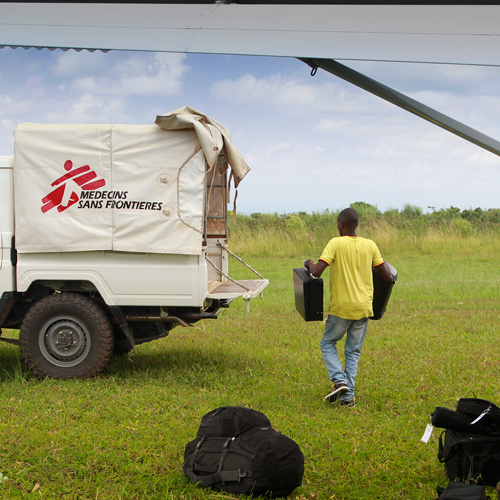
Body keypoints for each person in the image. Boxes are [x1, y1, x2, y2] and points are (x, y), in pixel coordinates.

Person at [304, 208, 393, 407]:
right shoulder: (370, 245)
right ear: (356, 225)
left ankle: (339, 379)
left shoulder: (335, 243)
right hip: (363, 309)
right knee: (353, 352)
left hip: (341, 308)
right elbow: (387, 276)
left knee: (327, 344)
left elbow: (317, 272)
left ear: (341, 225)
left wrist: (309, 264)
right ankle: (348, 399)